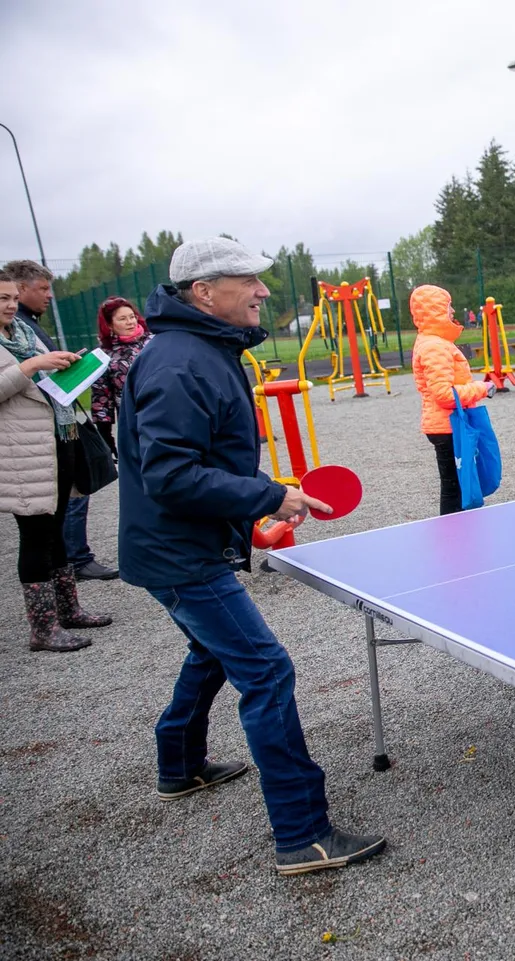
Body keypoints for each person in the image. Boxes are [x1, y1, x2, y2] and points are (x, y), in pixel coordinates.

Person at [119, 237, 385, 875]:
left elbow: (199, 462)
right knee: (266, 672)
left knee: (210, 652)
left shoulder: (201, 351)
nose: (263, 290)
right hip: (183, 554)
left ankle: (177, 766)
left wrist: (259, 496)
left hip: (178, 546)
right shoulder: (182, 364)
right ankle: (302, 833)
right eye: (247, 280)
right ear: (204, 294)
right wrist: (270, 495)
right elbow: (172, 476)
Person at [0, 270, 113, 652]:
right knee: (35, 536)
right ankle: (42, 628)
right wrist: (34, 365)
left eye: (13, 297)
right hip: (21, 451)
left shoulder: (24, 333)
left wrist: (64, 365)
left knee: (58, 527)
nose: (11, 305)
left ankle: (69, 610)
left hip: (56, 437)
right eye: (3, 298)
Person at [409, 284, 489, 515]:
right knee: (453, 488)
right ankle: (454, 537)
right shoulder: (435, 346)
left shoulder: (434, 341)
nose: (452, 310)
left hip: (446, 423)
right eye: (447, 306)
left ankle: (458, 533)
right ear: (434, 310)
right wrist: (482, 387)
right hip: (447, 425)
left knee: (456, 486)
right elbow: (445, 394)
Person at [90, 297, 151, 454]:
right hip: (134, 421)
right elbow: (100, 397)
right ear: (109, 325)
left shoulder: (154, 341)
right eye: (123, 319)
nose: (130, 322)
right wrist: (105, 435)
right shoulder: (104, 355)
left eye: (132, 317)